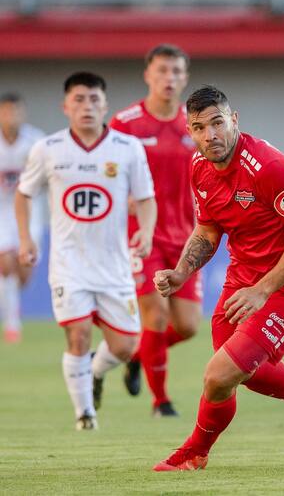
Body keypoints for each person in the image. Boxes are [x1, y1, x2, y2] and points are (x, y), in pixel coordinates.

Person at [151, 85, 284, 471]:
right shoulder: (199, 167)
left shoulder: (270, 167)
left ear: (234, 121)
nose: (210, 135)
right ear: (190, 130)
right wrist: (183, 271)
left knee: (219, 375)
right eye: (199, 127)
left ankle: (194, 453)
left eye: (217, 123)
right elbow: (207, 229)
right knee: (233, 376)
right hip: (243, 282)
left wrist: (263, 290)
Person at [14, 72, 156, 430]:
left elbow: (146, 198)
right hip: (69, 264)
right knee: (77, 334)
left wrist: (148, 231)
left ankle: (95, 370)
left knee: (125, 347)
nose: (87, 106)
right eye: (79, 99)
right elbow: (23, 193)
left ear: (105, 105)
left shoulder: (127, 148)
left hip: (114, 265)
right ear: (66, 107)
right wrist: (27, 238)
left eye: (94, 99)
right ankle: (85, 414)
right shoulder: (47, 149)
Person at [109, 44, 201, 417]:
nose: (170, 78)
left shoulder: (193, 125)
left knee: (189, 326)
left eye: (177, 72)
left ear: (185, 78)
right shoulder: (126, 123)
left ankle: (138, 355)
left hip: (187, 238)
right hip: (141, 237)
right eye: (162, 70)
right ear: (148, 75)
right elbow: (104, 172)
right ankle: (160, 401)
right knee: (156, 318)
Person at [0, 93, 45, 343]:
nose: (11, 116)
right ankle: (12, 324)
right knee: (5, 262)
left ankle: (10, 301)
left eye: (15, 111)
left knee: (23, 270)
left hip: (29, 210)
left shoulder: (35, 141)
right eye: (6, 111)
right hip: (1, 211)